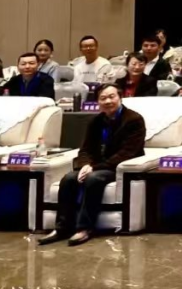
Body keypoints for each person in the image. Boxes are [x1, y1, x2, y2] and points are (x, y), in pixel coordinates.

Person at [37, 84, 144, 245]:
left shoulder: (133, 120)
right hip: (96, 165)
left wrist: (94, 168)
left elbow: (128, 152)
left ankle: (84, 228)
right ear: (98, 102)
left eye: (112, 97)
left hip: (118, 166)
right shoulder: (95, 121)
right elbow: (85, 149)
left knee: (93, 179)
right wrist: (85, 165)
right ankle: (62, 227)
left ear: (120, 97)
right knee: (69, 179)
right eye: (103, 98)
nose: (108, 101)